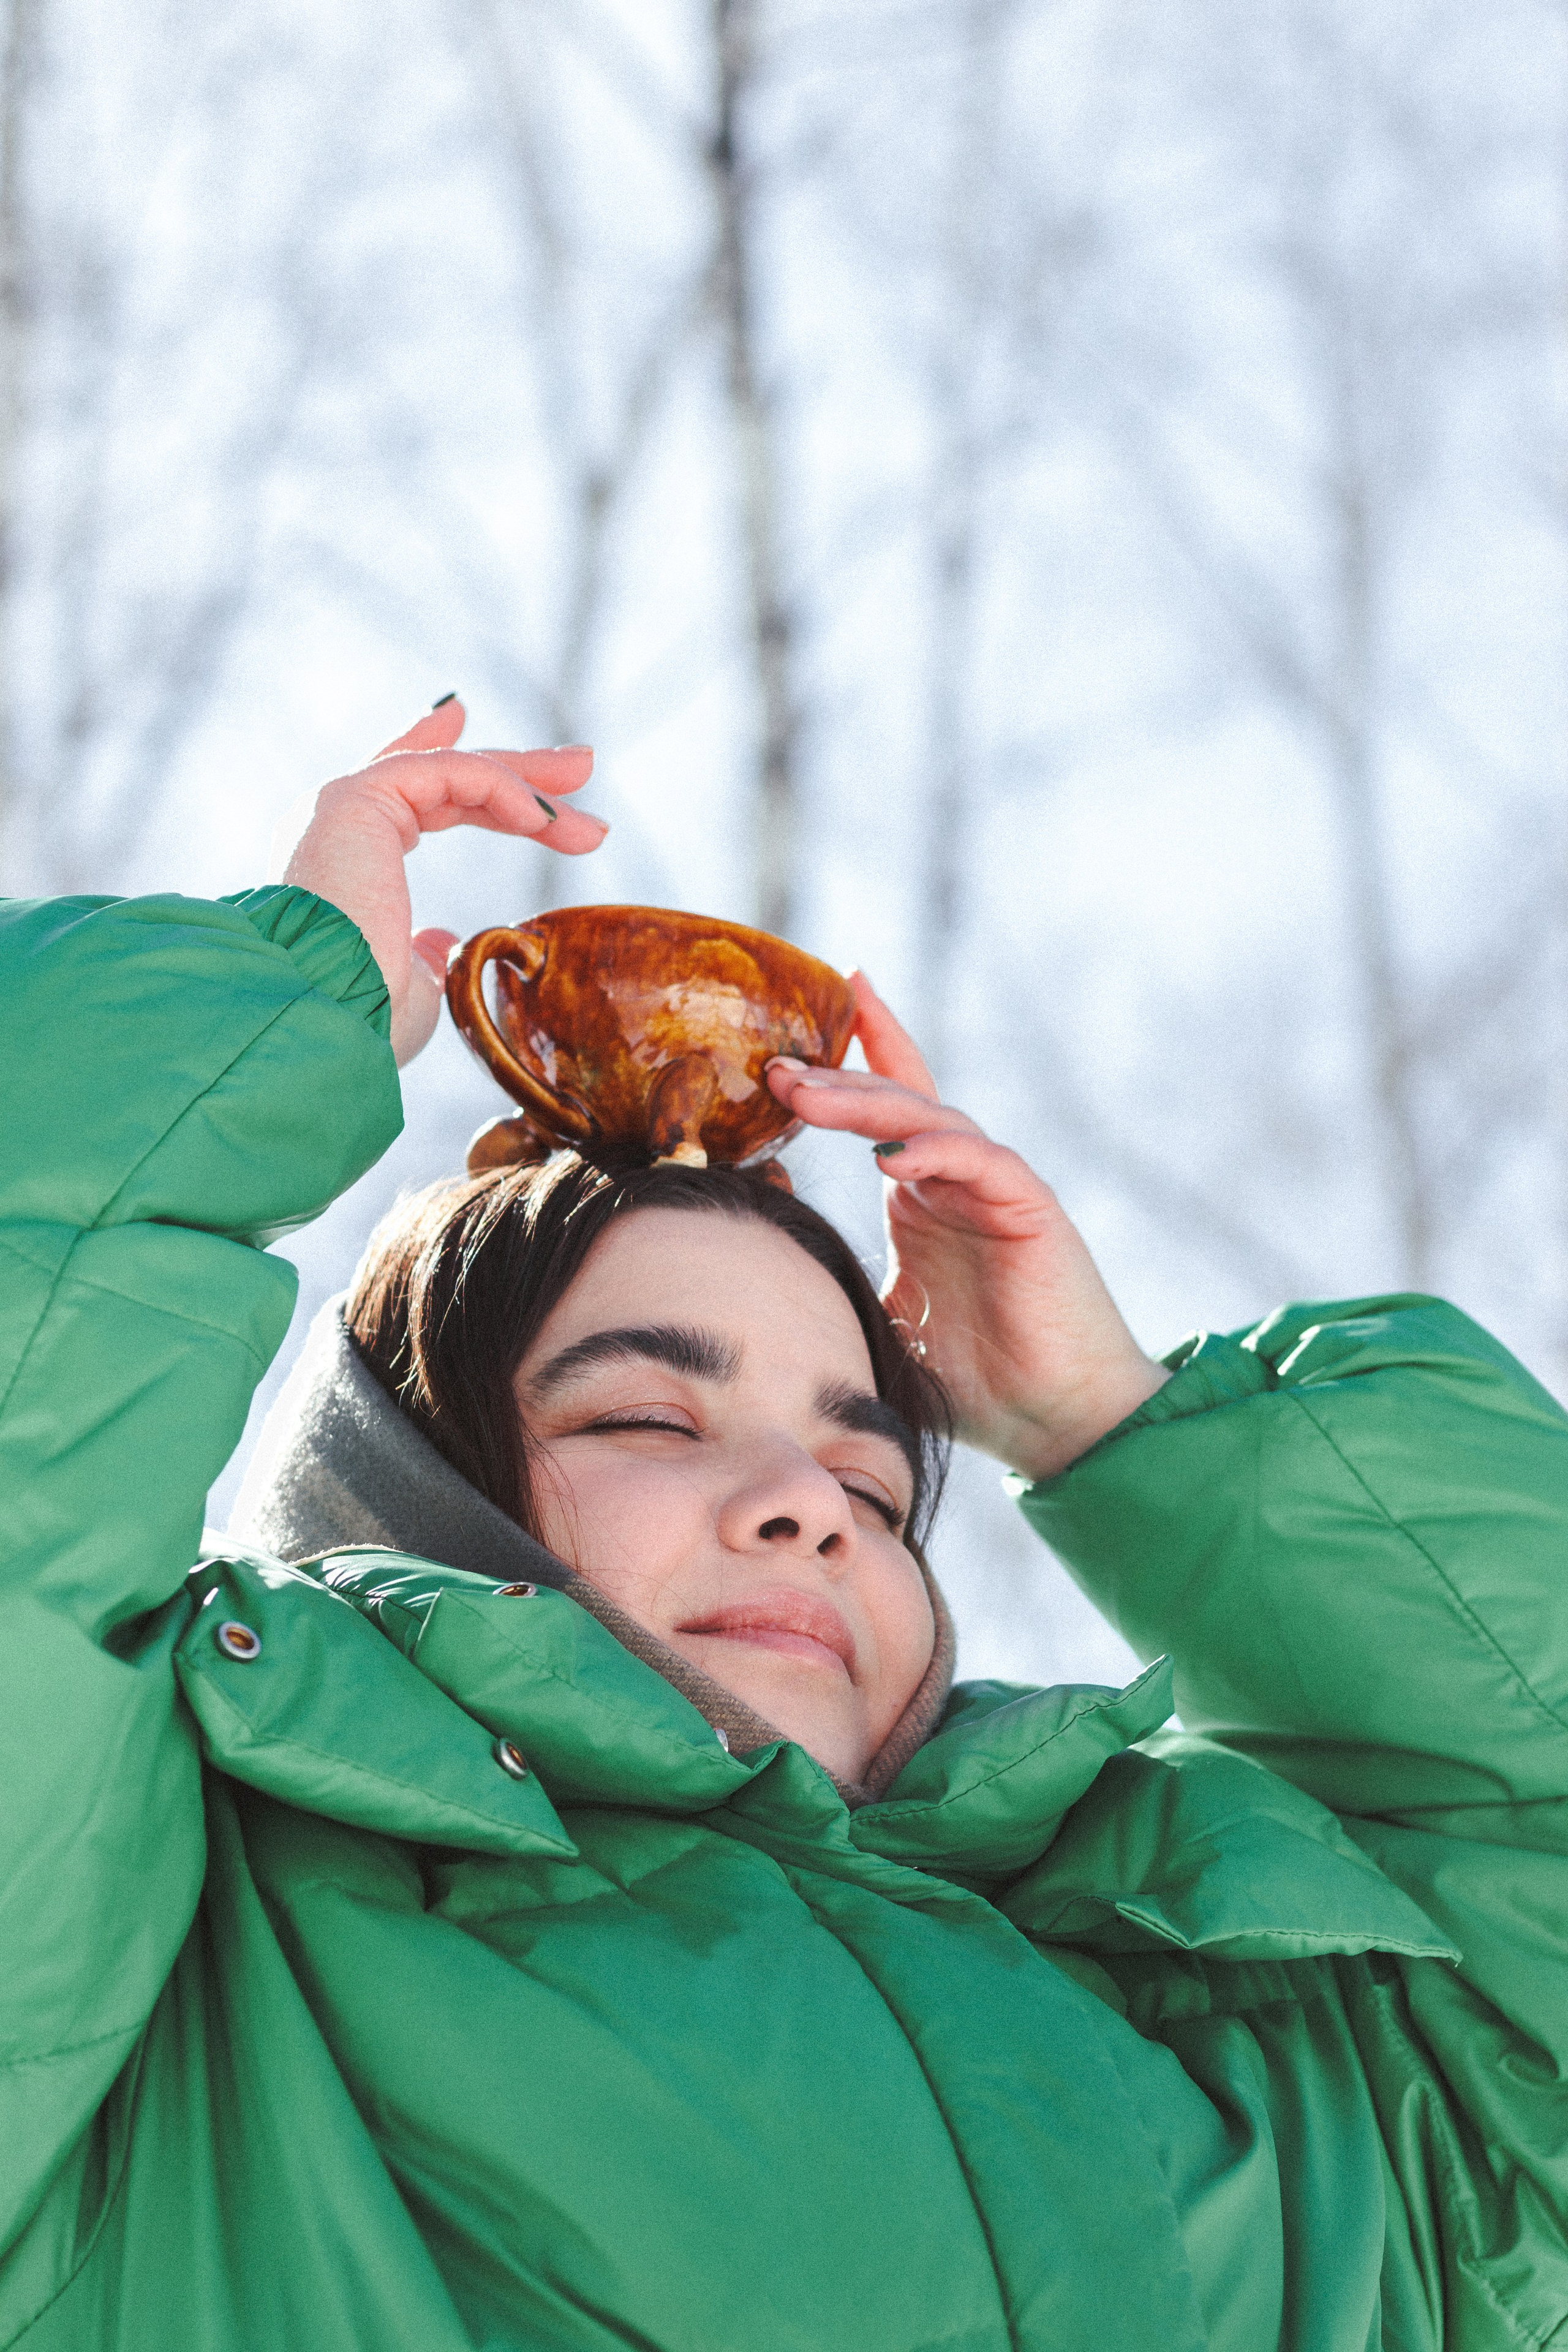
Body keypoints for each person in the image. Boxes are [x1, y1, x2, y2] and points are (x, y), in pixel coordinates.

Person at [1, 698, 1564, 2352]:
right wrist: (263, 1019)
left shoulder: (1219, 2028)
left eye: (875, 1478)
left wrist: (1104, 1413)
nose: (807, 1507)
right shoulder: (180, 1969)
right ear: (404, 1489)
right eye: (647, 1419)